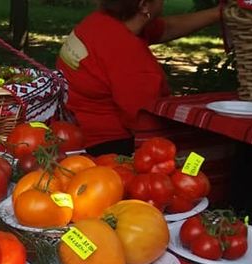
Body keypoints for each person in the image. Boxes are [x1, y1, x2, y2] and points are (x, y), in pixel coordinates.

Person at [57, 0, 221, 155]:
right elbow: (147, 124)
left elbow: (167, 27)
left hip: (73, 129)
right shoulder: (128, 55)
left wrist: (218, 13)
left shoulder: (99, 22)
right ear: (143, 5)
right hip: (108, 146)